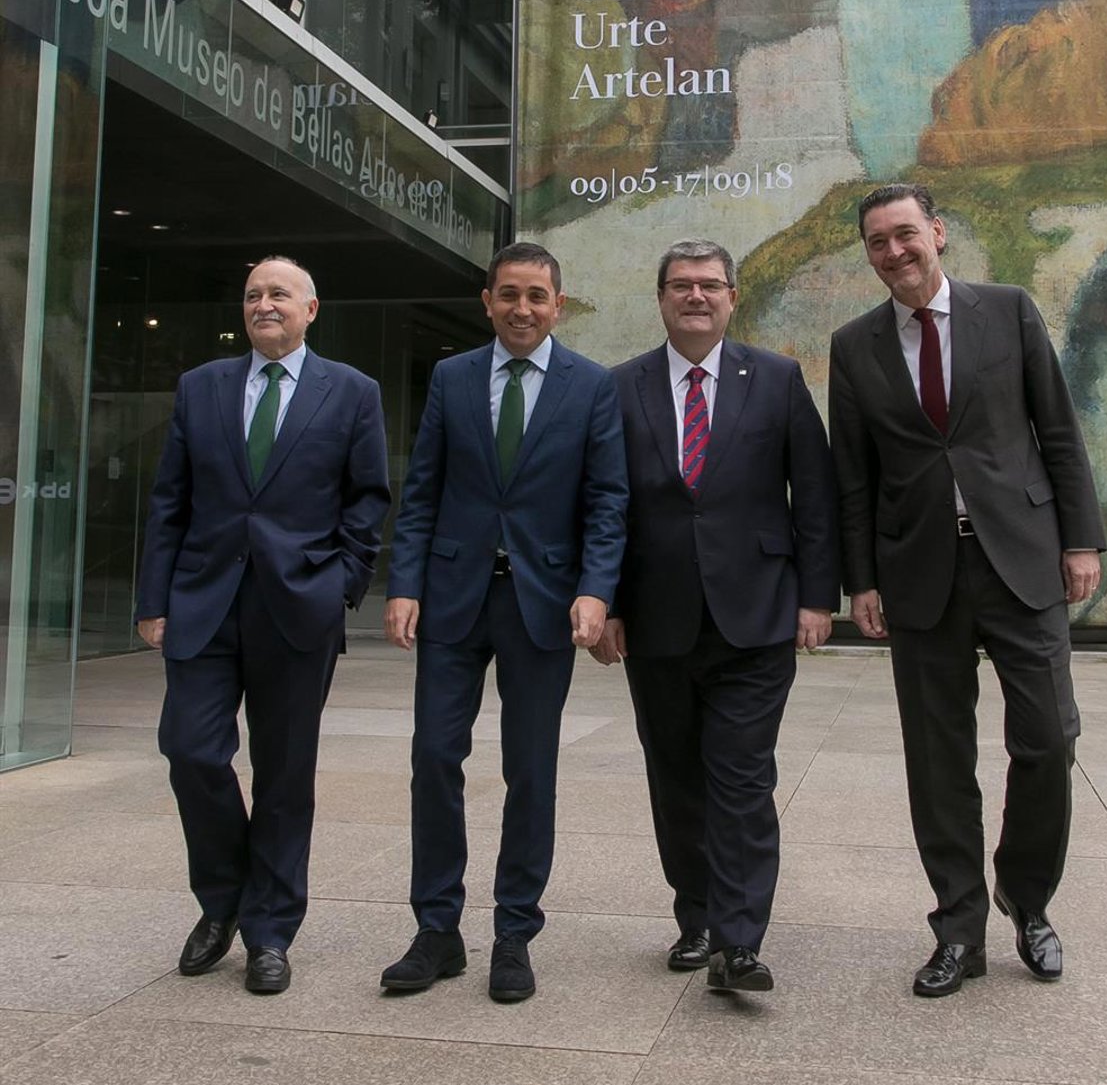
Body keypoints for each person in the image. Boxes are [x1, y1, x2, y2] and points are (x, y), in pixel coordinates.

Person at [828, 184, 1105, 998]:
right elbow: (853, 477)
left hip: (1022, 558)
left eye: (905, 233)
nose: (894, 251)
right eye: (877, 241)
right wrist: (860, 580)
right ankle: (958, 926)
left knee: (1049, 736)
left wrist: (1081, 538)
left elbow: (1058, 428)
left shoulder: (1008, 310)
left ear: (937, 233)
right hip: (919, 572)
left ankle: (1027, 894)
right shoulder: (854, 345)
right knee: (937, 757)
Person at [380, 242, 628, 1003]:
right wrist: (403, 582)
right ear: (487, 301)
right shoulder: (452, 377)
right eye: (509, 294)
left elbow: (608, 501)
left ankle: (515, 931)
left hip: (542, 602)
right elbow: (422, 490)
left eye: (537, 296)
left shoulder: (592, 385)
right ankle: (437, 930)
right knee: (433, 756)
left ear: (559, 305)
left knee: (530, 768)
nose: (523, 308)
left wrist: (596, 590)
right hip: (453, 595)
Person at [136, 257, 390, 995]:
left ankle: (270, 929)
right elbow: (170, 500)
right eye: (253, 295)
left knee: (283, 773)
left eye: (279, 293)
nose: (264, 304)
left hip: (298, 606)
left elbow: (367, 500)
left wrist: (340, 585)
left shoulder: (352, 391)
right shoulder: (201, 386)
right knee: (190, 750)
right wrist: (153, 599)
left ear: (312, 308)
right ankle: (223, 900)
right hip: (204, 602)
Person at [594, 238, 839, 992]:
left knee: (741, 778)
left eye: (709, 284)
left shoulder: (777, 378)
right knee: (675, 777)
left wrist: (817, 597)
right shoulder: (619, 386)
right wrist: (606, 602)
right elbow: (603, 504)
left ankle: (739, 941)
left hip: (756, 615)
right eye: (681, 285)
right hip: (655, 619)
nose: (695, 296)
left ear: (733, 296)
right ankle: (696, 916)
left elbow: (815, 494)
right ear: (661, 298)